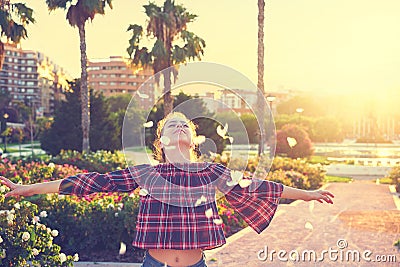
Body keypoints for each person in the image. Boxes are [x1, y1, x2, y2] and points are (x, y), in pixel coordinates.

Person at [0, 112, 334, 267]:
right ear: (161, 141)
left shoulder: (212, 173)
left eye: (183, 125)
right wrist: (27, 189)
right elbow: (90, 183)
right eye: (171, 125)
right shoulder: (147, 174)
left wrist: (308, 194)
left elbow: (259, 187)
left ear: (193, 139)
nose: (178, 127)